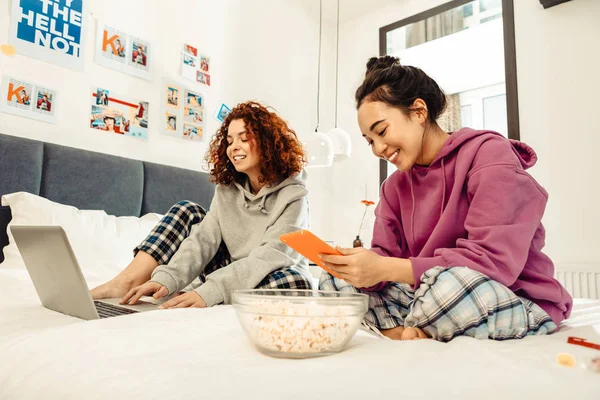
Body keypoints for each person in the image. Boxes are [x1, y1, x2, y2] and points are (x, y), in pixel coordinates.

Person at [319, 56, 573, 342]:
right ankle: (408, 334)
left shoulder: (488, 155)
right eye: (369, 141)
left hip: (509, 294)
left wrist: (386, 268)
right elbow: (386, 257)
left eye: (381, 131)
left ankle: (420, 328)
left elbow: (493, 261)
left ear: (418, 111)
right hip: (429, 297)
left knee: (451, 284)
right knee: (334, 279)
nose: (378, 148)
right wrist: (357, 264)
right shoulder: (393, 187)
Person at [91, 101, 312, 309]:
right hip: (227, 270)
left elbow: (270, 257)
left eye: (243, 139)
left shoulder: (294, 196)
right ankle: (127, 281)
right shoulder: (227, 189)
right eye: (229, 141)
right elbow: (204, 238)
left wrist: (212, 290)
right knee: (187, 211)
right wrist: (167, 279)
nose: (234, 147)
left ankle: (219, 294)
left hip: (270, 273)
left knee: (297, 283)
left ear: (267, 143)